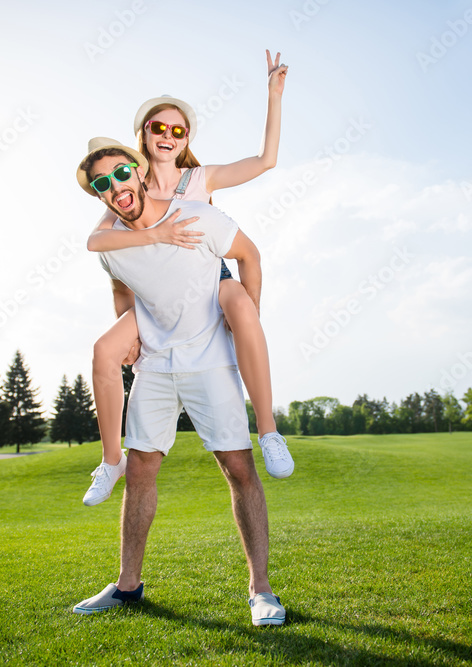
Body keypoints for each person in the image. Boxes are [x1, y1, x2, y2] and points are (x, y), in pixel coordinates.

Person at [71, 138, 287, 626]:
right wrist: (127, 325)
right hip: (155, 365)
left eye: (121, 174)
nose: (116, 187)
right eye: (103, 184)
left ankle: (261, 590)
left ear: (138, 171)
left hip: (210, 360)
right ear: (100, 197)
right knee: (141, 469)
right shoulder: (111, 245)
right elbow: (121, 284)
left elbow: (249, 255)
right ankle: (128, 587)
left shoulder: (197, 215)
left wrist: (247, 315)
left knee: (237, 466)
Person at [80, 51, 291, 507]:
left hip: (209, 278)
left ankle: (269, 430)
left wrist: (273, 96)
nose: (168, 136)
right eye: (159, 128)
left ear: (186, 139)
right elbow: (108, 257)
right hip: (155, 298)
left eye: (179, 130)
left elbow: (265, 160)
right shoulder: (126, 186)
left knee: (239, 305)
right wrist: (129, 326)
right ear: (144, 136)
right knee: (106, 350)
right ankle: (110, 459)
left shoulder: (199, 178)